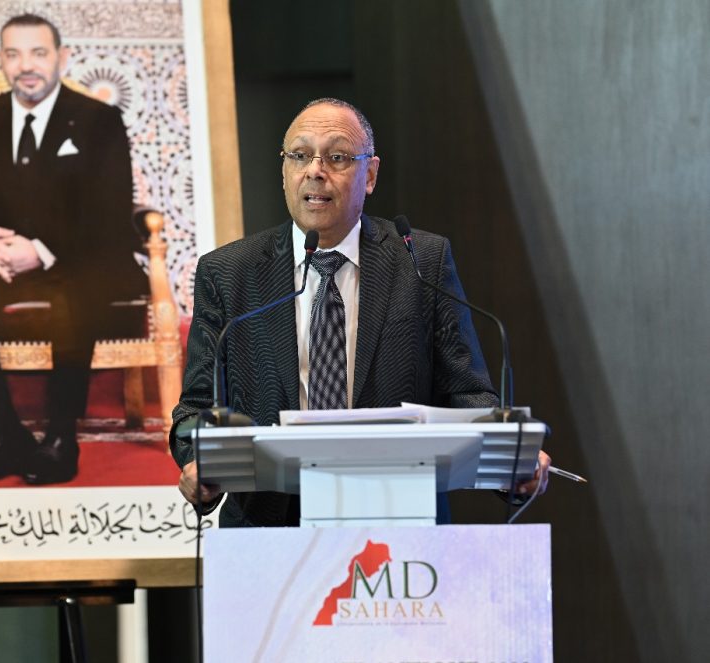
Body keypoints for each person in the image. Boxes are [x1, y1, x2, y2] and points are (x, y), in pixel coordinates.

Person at [171, 98, 549, 525]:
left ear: (369, 175)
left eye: (337, 157)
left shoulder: (420, 262)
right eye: (299, 155)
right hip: (269, 530)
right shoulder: (229, 273)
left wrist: (508, 459)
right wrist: (198, 461)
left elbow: (468, 392)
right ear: (284, 172)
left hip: (401, 524)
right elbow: (196, 410)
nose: (315, 170)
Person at [0, 14, 147, 485]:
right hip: (1, 260)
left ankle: (62, 438)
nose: (26, 65)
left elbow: (107, 216)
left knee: (73, 290)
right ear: (0, 60)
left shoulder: (99, 121)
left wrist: (39, 251)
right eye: (14, 54)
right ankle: (6, 433)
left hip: (84, 259)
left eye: (38, 53)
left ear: (61, 58)